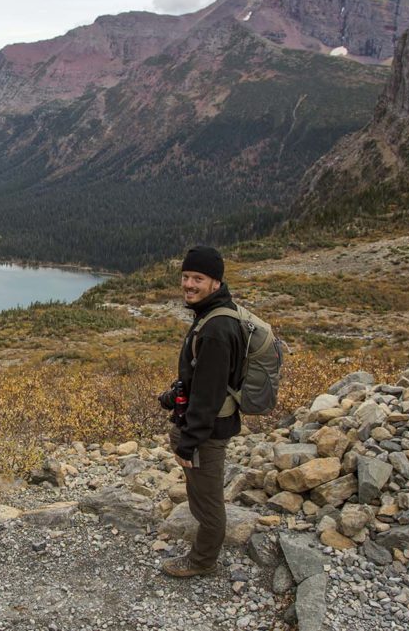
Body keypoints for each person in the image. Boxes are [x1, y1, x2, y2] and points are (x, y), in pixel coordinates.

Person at [157, 245, 245, 577]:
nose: (189, 284)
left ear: (216, 282)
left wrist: (188, 442)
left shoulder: (216, 329)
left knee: (208, 503)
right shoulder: (213, 315)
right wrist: (174, 397)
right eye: (186, 277)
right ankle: (202, 551)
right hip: (205, 427)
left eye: (198, 278)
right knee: (200, 494)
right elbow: (202, 378)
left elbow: (208, 397)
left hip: (207, 434)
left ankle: (201, 561)